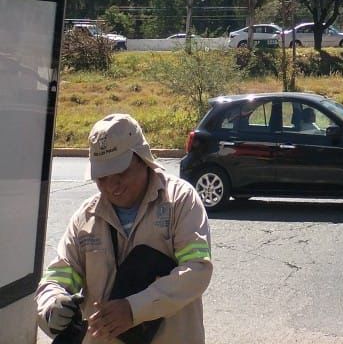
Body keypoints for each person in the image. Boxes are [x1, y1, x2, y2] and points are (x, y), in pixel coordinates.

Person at [36, 112, 212, 343]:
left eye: (120, 173)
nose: (112, 186)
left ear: (142, 159)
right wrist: (52, 304)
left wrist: (133, 309)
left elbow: (197, 270)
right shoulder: (86, 218)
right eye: (102, 177)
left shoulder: (180, 200)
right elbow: (57, 276)